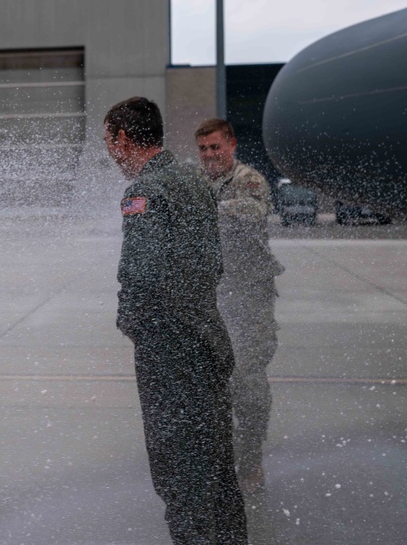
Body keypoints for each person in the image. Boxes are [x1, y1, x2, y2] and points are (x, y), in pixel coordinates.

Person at [103, 98, 247, 544]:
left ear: (124, 139)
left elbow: (141, 277)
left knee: (181, 475)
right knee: (218, 471)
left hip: (171, 354)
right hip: (206, 339)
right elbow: (213, 265)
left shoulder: (145, 192)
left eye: (108, 140)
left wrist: (134, 325)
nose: (109, 152)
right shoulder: (193, 179)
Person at [195, 118, 284, 494]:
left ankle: (249, 463)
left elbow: (251, 213)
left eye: (215, 147)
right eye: (203, 149)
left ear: (231, 145)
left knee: (247, 382)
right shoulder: (199, 183)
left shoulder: (249, 180)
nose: (210, 155)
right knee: (209, 385)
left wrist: (203, 211)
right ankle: (218, 459)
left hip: (248, 297)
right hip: (211, 298)